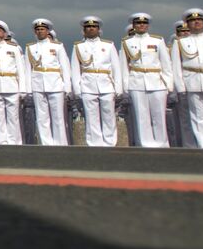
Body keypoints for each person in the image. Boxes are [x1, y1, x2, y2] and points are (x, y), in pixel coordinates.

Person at [120, 12, 174, 148]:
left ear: (148, 25)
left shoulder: (157, 41)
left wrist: (168, 84)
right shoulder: (127, 42)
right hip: (136, 82)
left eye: (144, 23)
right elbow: (124, 67)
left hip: (157, 81)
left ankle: (162, 144)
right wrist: (126, 86)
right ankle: (145, 144)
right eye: (138, 23)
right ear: (133, 26)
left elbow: (166, 64)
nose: (141, 25)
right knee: (141, 116)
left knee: (159, 116)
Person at [71, 16, 121, 147]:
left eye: (94, 27)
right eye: (88, 27)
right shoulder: (79, 46)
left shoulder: (108, 45)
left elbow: (116, 68)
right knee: (91, 116)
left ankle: (110, 142)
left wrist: (118, 87)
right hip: (88, 84)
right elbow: (75, 69)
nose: (91, 29)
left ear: (99, 29)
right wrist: (77, 89)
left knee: (108, 114)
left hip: (106, 83)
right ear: (84, 30)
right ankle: (94, 143)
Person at [0, 21, 27, 145]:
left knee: (13, 116)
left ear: (5, 33)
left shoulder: (13, 49)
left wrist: (23, 89)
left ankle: (14, 141)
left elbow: (20, 70)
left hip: (12, 85)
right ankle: (1, 141)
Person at [173, 8, 203, 148]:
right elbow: (176, 67)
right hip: (192, 81)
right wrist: (180, 87)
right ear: (187, 24)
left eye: (199, 20)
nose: (196, 22)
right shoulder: (180, 43)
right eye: (192, 21)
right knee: (198, 117)